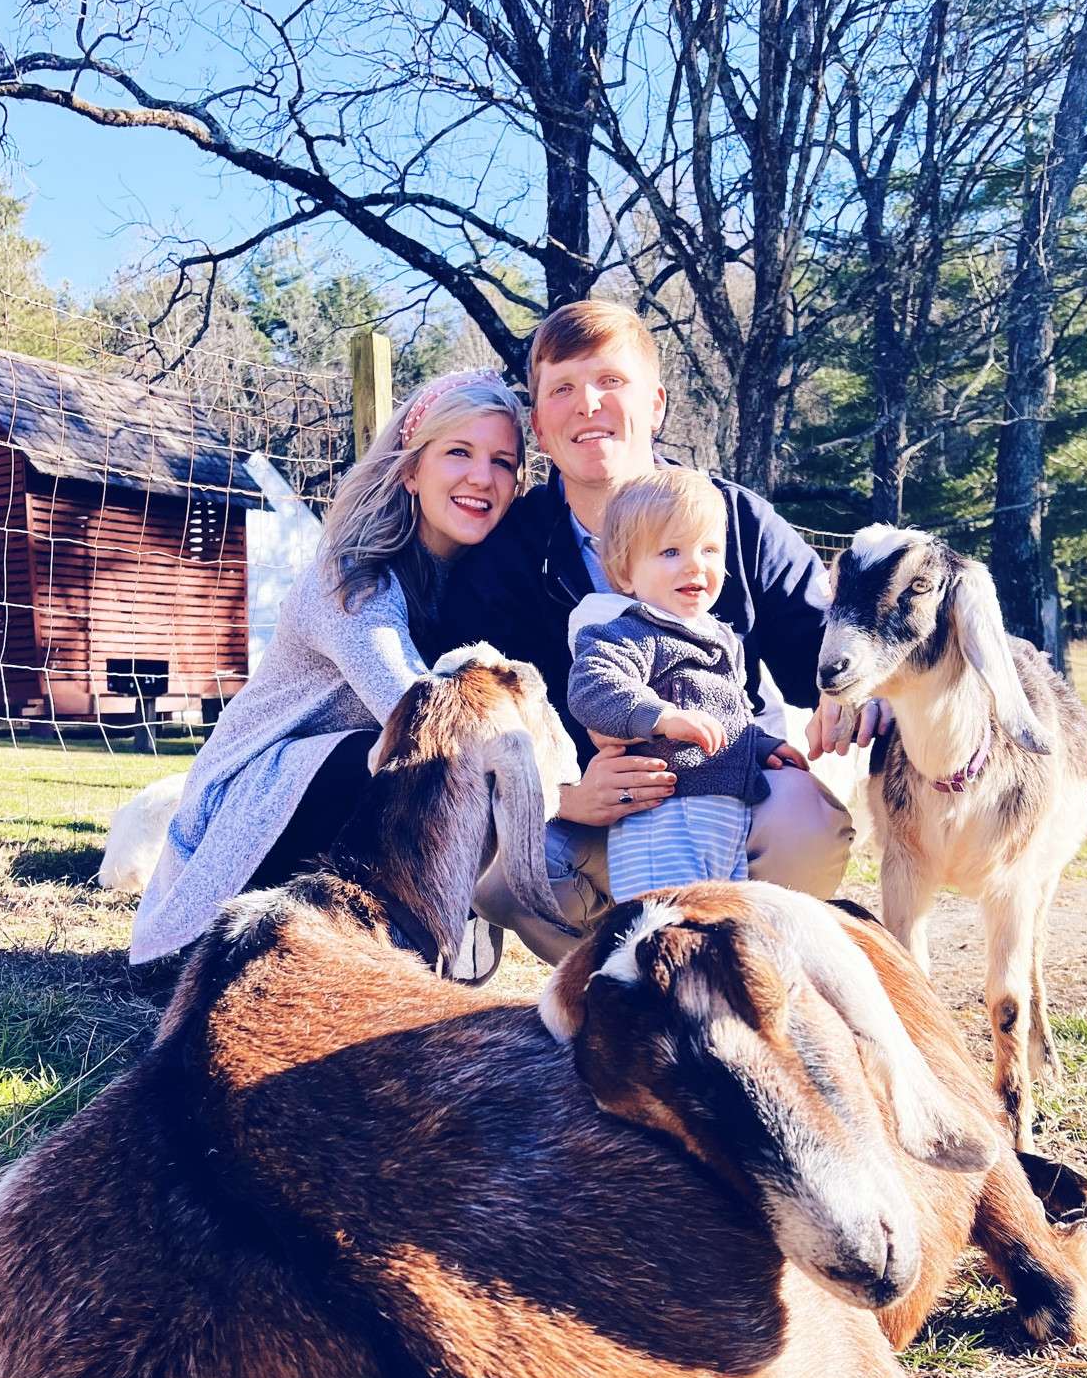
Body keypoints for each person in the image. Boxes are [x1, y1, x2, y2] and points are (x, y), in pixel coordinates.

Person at [434, 299, 882, 963]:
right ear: (539, 426)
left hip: (728, 784)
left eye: (610, 381)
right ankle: (612, 990)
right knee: (500, 878)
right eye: (562, 388)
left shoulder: (735, 518)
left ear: (657, 405)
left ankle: (750, 970)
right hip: (595, 811)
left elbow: (820, 647)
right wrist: (561, 796)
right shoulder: (508, 555)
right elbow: (480, 720)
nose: (587, 404)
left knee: (807, 825)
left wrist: (853, 691)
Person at [130, 369, 526, 966]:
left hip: (333, 817)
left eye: (503, 461)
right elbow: (413, 709)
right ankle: (225, 942)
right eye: (459, 452)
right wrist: (562, 795)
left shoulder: (479, 591)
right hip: (248, 812)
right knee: (403, 747)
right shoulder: (351, 579)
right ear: (410, 470)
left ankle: (376, 948)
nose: (482, 476)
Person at [567, 468, 811, 900]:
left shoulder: (720, 639)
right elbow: (592, 688)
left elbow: (725, 717)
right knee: (666, 923)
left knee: (716, 924)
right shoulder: (627, 632)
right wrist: (660, 716)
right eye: (671, 552)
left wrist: (760, 745)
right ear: (625, 574)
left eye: (710, 549)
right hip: (664, 821)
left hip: (725, 821)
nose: (695, 564)